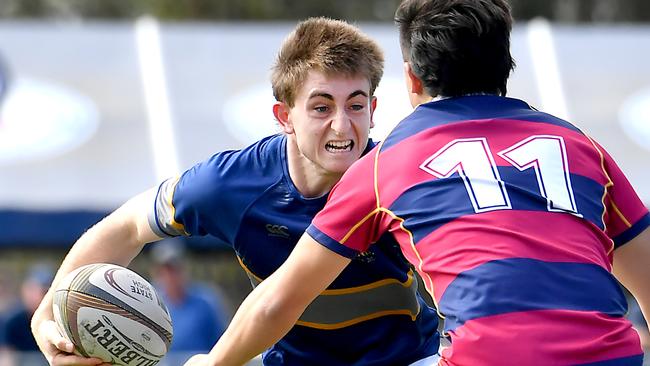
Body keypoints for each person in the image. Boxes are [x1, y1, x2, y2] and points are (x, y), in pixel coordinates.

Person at [194, 1, 650, 365]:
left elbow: (278, 303)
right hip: (613, 356)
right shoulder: (583, 147)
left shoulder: (386, 162)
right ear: (506, 66)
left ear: (411, 78)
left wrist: (213, 364)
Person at [31, 17, 441, 366]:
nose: (341, 126)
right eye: (321, 107)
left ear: (373, 110)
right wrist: (45, 316)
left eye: (355, 105)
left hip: (408, 359)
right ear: (284, 117)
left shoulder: (399, 177)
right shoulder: (230, 183)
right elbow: (129, 227)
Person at [149, 240, 230, 364]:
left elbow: (222, 344)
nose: (171, 275)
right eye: (166, 270)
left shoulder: (206, 301)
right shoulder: (149, 304)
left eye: (175, 269)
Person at [0, 263, 53, 366]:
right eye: (36, 290)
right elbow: (6, 356)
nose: (40, 295)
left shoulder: (58, 321)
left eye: (46, 291)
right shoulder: (11, 320)